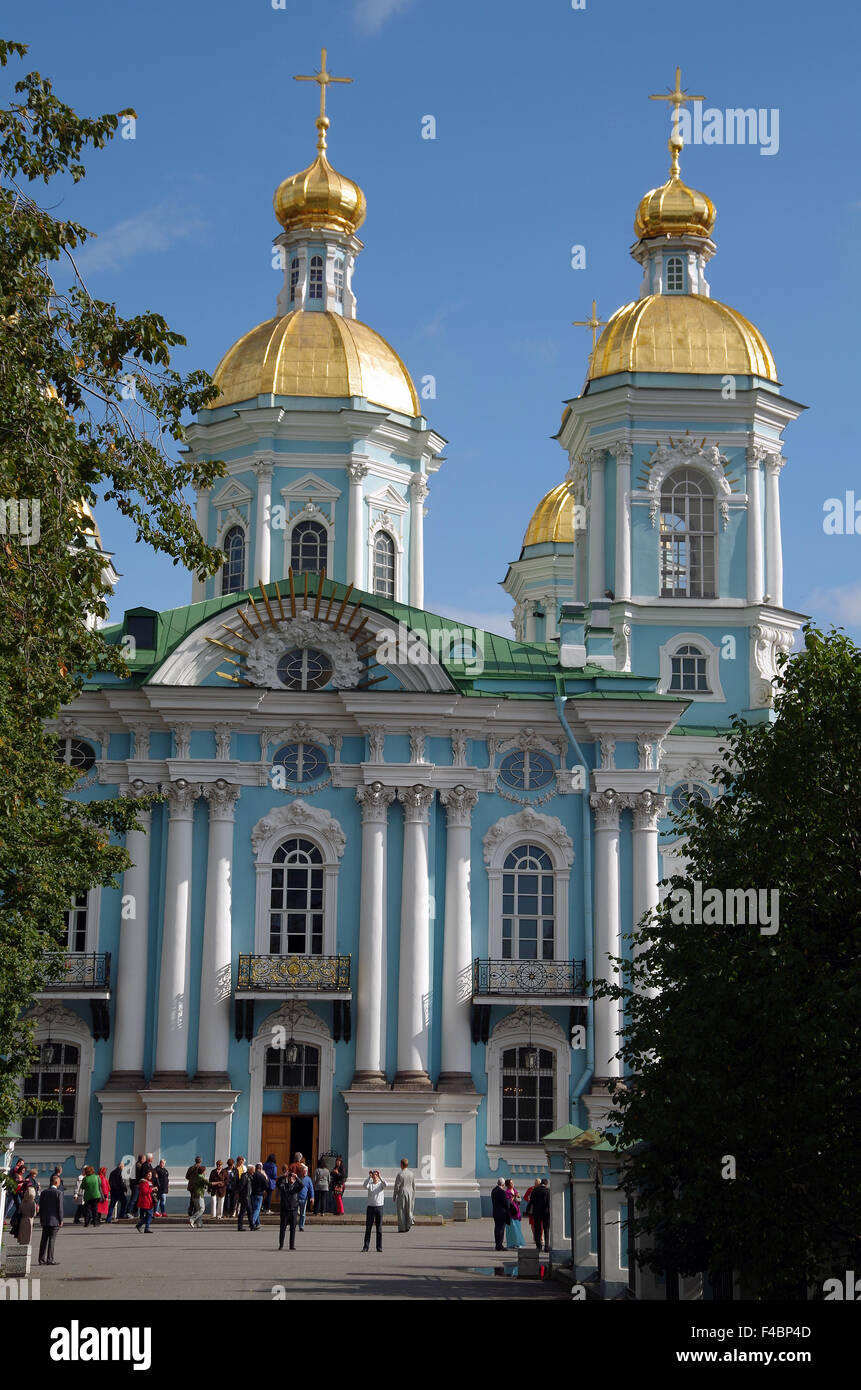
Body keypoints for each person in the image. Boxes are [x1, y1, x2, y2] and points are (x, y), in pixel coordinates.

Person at [38, 1174, 63, 1265]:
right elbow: (60, 1208)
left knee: (43, 1240)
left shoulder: (44, 1192)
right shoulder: (59, 1193)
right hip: (55, 1220)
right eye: (59, 1182)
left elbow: (41, 1207)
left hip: (45, 1220)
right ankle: (50, 1259)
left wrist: (41, 1219)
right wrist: (61, 1220)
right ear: (56, 1182)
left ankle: (41, 1259)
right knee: (52, 1240)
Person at [276, 1166, 302, 1251]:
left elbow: (302, 1185)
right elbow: (277, 1183)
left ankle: (292, 1245)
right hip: (285, 1210)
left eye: (293, 1178)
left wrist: (297, 1177)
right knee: (282, 1228)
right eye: (290, 1177)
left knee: (293, 1229)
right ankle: (281, 1245)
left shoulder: (296, 1188)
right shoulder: (284, 1186)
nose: (291, 1179)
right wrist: (284, 1176)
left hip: (293, 1210)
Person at [362, 1169, 386, 1252]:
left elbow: (386, 1184)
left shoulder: (381, 1185)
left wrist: (380, 1176)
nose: (375, 1176)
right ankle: (366, 1246)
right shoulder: (370, 1184)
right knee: (368, 1228)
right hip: (370, 1208)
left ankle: (379, 1247)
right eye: (374, 1175)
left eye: (376, 1175)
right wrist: (369, 1176)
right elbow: (364, 1185)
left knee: (379, 1228)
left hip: (379, 1208)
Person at [527, 1177, 551, 1252]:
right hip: (546, 1213)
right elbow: (549, 1203)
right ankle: (546, 1247)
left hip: (536, 1213)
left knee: (537, 1229)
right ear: (546, 1184)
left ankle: (538, 1246)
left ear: (541, 1183)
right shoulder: (548, 1191)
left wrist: (528, 1210)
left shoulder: (535, 1190)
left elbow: (531, 1201)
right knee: (546, 1229)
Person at [393, 1158, 416, 1233]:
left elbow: (397, 1186)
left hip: (402, 1193)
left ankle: (402, 1227)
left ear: (401, 1165)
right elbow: (413, 1186)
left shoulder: (400, 1174)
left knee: (401, 1210)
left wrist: (394, 1195)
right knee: (409, 1209)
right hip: (410, 1192)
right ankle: (408, 1224)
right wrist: (413, 1195)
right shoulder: (411, 1174)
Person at [504, 1178, 525, 1248]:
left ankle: (518, 1243)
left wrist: (518, 1197)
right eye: (511, 1183)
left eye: (512, 1183)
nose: (512, 1184)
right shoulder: (506, 1192)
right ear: (508, 1185)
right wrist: (513, 1197)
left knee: (518, 1228)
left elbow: (519, 1201)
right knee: (512, 1229)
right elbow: (508, 1202)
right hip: (511, 1213)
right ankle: (512, 1243)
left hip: (517, 1212)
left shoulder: (515, 1190)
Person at [491, 1178, 510, 1251]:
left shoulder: (494, 1190)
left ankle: (497, 1244)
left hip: (495, 1212)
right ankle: (499, 1245)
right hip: (502, 1213)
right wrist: (509, 1201)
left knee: (497, 1229)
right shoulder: (501, 1192)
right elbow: (506, 1203)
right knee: (501, 1230)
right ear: (503, 1184)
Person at [189, 1164, 208, 1229]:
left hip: (195, 1194)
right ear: (203, 1171)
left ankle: (199, 1223)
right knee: (202, 1208)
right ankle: (192, 1219)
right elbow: (209, 1183)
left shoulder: (197, 1176)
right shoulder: (201, 1177)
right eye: (205, 1171)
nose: (205, 1172)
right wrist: (218, 1182)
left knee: (198, 1209)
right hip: (199, 1195)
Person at [236, 1161, 252, 1232]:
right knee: (242, 1212)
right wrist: (242, 1195)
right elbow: (241, 1186)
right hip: (245, 1197)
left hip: (248, 1196)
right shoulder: (244, 1176)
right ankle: (240, 1226)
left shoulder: (249, 1176)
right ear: (250, 1170)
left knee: (250, 1212)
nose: (254, 1171)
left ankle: (252, 1225)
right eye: (253, 1170)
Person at [297, 1165, 314, 1231]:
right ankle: (292, 1225)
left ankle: (301, 1226)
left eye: (306, 1171)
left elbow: (311, 1189)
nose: (305, 1172)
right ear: (301, 1171)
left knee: (303, 1214)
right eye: (304, 1171)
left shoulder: (308, 1179)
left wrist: (312, 1197)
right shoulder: (297, 1178)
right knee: (294, 1213)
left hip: (304, 1198)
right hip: (296, 1198)